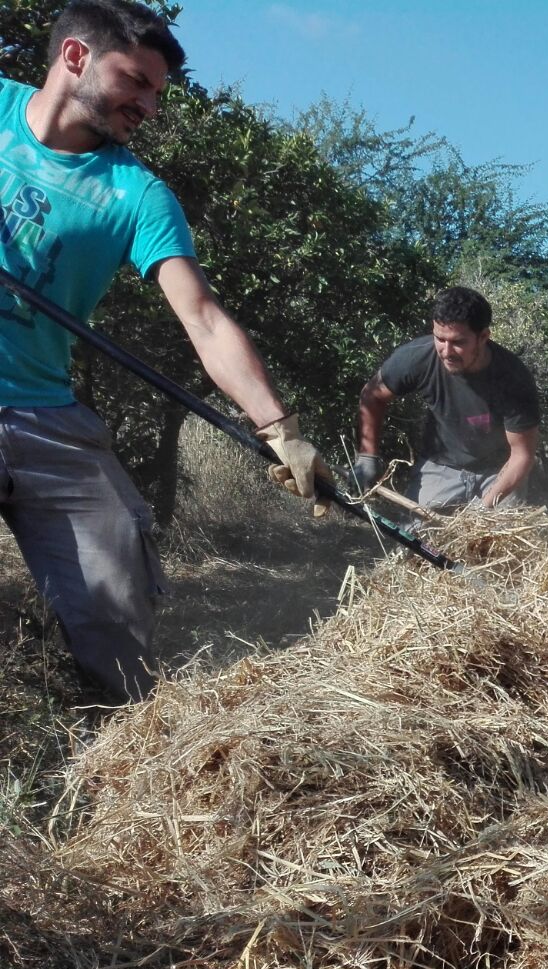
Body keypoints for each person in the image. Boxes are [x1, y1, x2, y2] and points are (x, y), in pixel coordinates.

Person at [0, 0, 327, 703]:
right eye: (137, 82)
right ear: (77, 58)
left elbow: (203, 318)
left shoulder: (137, 195)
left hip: (44, 416)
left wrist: (281, 429)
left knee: (118, 599)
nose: (150, 106)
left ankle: (120, 751)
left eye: (158, 94)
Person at [354, 287, 541, 513]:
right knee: (418, 540)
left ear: (483, 337)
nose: (446, 351)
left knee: (497, 543)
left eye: (458, 342)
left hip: (500, 470)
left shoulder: (513, 378)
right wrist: (367, 457)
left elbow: (522, 456)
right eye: (440, 339)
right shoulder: (416, 358)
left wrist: (483, 510)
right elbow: (372, 396)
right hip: (440, 465)